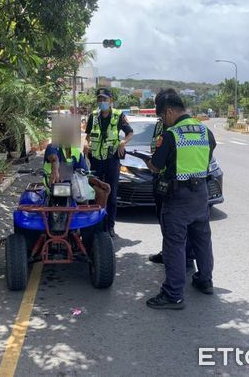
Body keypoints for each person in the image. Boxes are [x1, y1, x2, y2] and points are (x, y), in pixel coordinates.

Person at [144, 89, 216, 310]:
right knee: (202, 239)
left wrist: (151, 164)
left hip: (178, 197)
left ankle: (173, 294)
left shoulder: (171, 135)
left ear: (168, 112)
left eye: (162, 117)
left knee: (174, 245)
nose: (163, 121)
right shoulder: (205, 132)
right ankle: (205, 280)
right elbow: (208, 155)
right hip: (201, 193)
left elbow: (156, 165)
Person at [148, 93, 197, 274]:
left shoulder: (182, 127)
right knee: (165, 221)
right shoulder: (160, 125)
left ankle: (186, 258)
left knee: (182, 225)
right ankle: (168, 253)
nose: (160, 116)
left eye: (161, 112)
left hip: (178, 181)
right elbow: (155, 147)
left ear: (168, 109)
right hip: (160, 179)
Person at [84, 88, 133, 237]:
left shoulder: (118, 116)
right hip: (96, 160)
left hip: (112, 160)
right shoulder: (93, 116)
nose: (102, 102)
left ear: (111, 100)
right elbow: (87, 136)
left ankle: (110, 226)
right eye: (100, 100)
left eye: (105, 99)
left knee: (111, 194)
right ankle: (93, 224)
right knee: (93, 192)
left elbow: (130, 133)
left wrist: (123, 142)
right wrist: (86, 145)